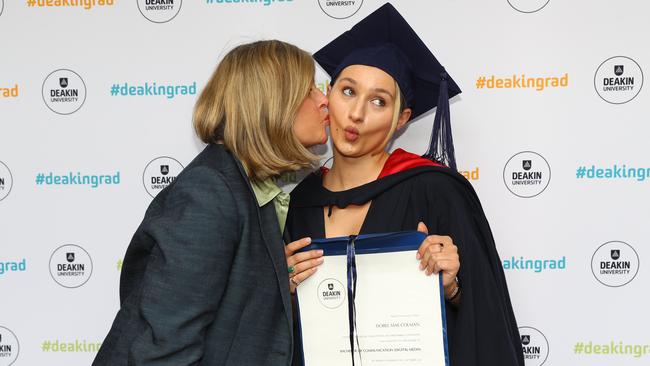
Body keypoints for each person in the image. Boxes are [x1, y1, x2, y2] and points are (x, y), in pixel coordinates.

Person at [284, 4, 524, 366]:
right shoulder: (301, 200)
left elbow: (486, 322)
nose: (357, 114)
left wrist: (452, 288)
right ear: (328, 95)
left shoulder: (433, 189)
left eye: (378, 101)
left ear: (402, 119)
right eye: (348, 91)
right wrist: (281, 288)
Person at [93, 40, 329, 366]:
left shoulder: (249, 189)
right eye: (308, 91)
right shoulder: (209, 193)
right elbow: (163, 351)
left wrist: (276, 285)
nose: (323, 100)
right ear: (271, 104)